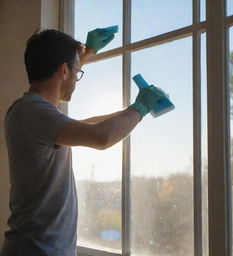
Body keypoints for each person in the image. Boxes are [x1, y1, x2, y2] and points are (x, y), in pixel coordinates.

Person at [0, 28, 169, 256]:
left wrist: (86, 53)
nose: (77, 80)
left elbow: (85, 125)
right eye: (76, 73)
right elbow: (101, 136)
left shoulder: (32, 112)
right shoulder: (32, 111)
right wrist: (140, 107)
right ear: (63, 70)